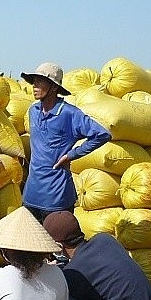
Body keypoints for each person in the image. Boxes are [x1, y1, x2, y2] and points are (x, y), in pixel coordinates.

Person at [20, 62, 112, 224]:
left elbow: (102, 134)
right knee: (30, 245)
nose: (34, 85)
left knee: (57, 245)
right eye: (34, 80)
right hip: (31, 194)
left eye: (40, 81)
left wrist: (71, 155)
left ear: (54, 87)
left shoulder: (69, 113)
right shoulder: (33, 111)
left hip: (56, 197)